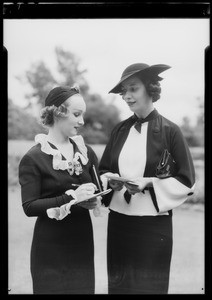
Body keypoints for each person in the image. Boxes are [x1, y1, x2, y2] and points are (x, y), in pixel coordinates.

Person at [99, 63, 195, 294]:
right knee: (119, 287)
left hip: (153, 228)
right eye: (124, 91)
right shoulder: (119, 130)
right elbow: (103, 170)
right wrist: (109, 180)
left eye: (133, 89)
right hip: (119, 223)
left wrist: (150, 182)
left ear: (150, 89)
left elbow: (186, 180)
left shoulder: (171, 131)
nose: (127, 96)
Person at [19, 85, 102, 294]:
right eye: (77, 114)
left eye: (82, 115)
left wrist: (94, 199)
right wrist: (71, 198)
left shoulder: (86, 152)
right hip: (50, 247)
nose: (82, 121)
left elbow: (97, 188)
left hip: (82, 241)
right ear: (58, 113)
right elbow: (29, 206)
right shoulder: (34, 158)